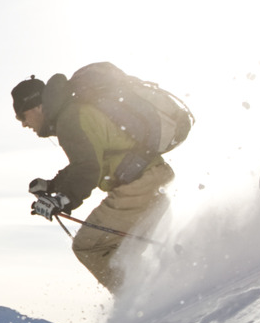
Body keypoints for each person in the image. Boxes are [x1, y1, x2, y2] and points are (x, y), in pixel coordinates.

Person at [11, 72, 174, 292]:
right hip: (149, 178)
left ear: (37, 106)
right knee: (123, 249)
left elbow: (88, 168)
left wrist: (61, 201)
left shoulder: (70, 117)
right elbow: (86, 161)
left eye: (22, 116)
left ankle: (141, 299)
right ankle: (159, 288)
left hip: (139, 186)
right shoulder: (73, 111)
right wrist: (52, 186)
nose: (23, 124)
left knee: (87, 246)